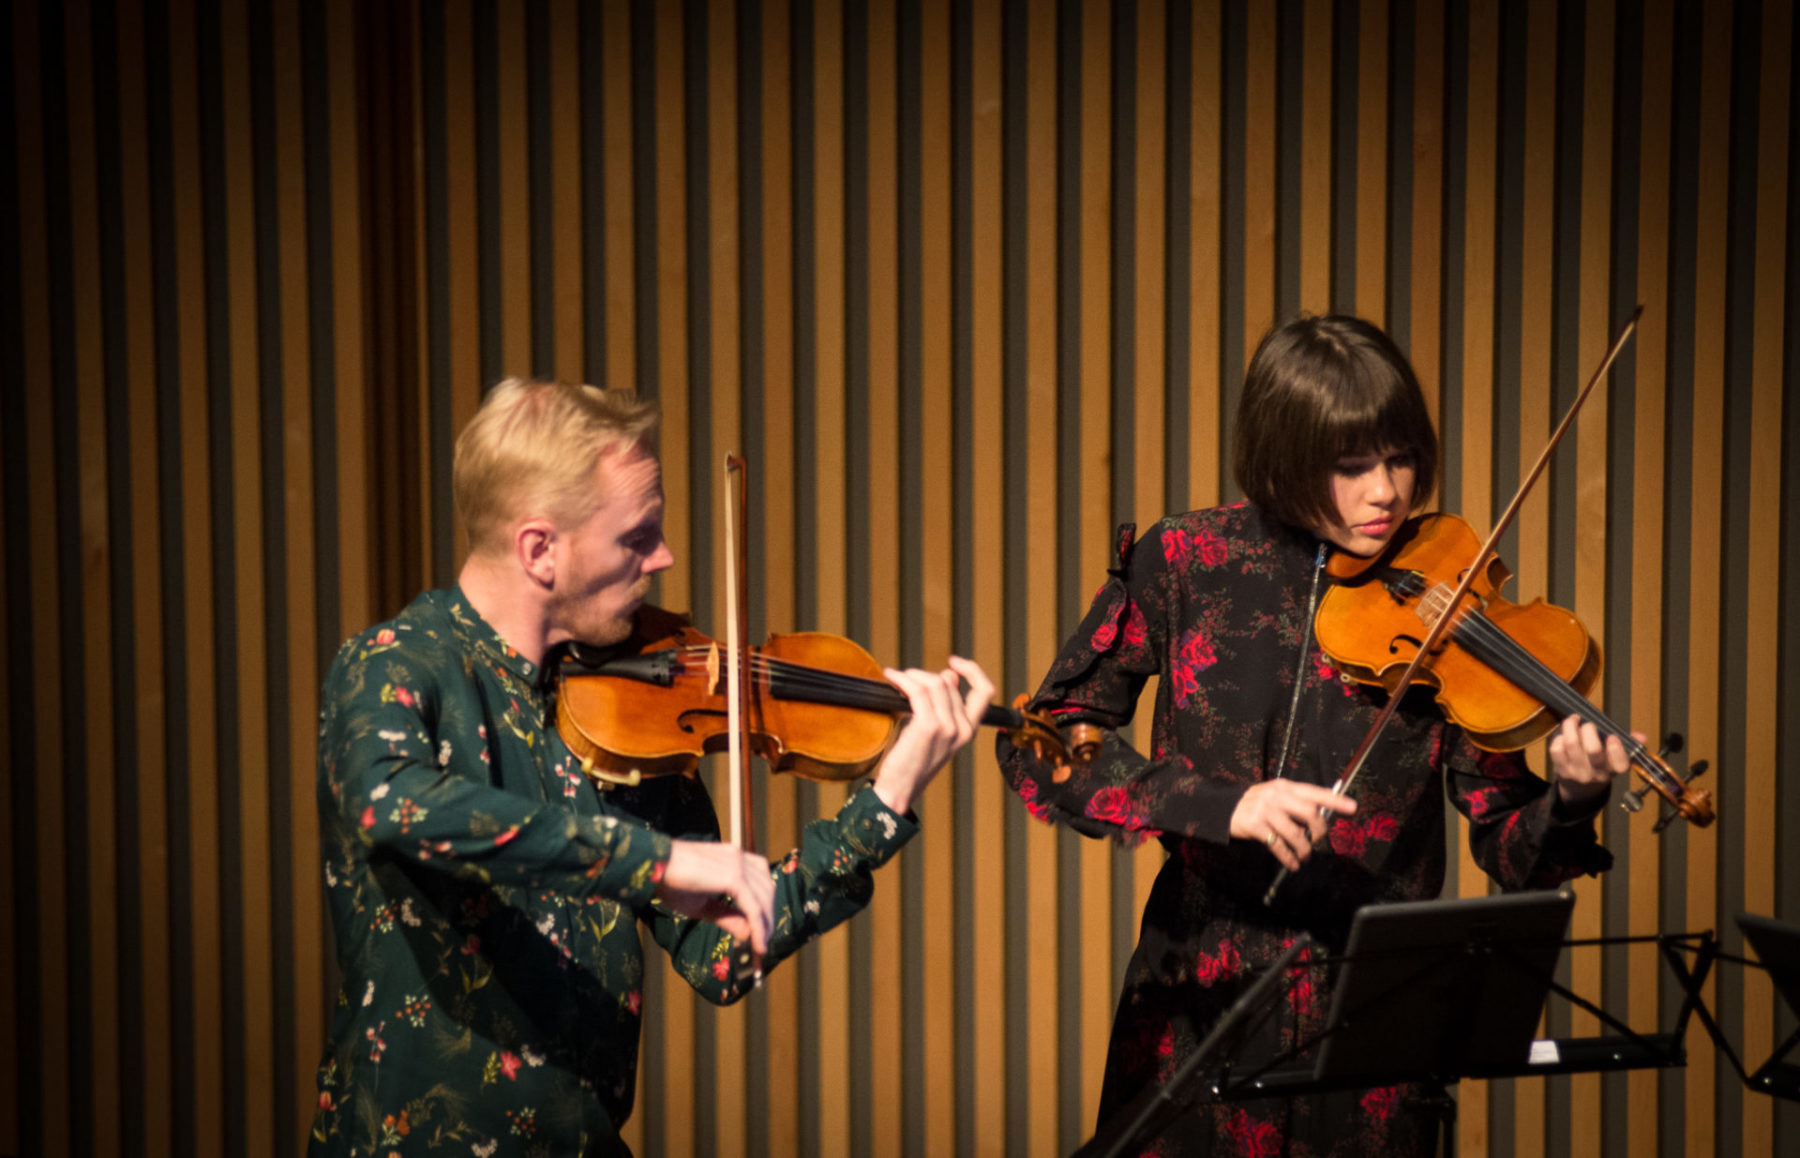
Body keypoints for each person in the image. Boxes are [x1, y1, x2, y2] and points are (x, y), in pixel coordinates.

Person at [997, 315, 1631, 1156]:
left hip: (1377, 1022)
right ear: (1286, 454)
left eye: (1401, 457)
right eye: (1352, 465)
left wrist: (1575, 796)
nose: (1388, 492)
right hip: (1202, 1005)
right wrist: (1218, 806)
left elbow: (1512, 845)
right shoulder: (1187, 560)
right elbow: (1046, 738)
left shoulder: (1442, 593)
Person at [309, 378, 992, 1156]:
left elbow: (723, 955)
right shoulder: (397, 665)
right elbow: (389, 804)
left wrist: (888, 798)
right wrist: (654, 860)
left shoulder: (627, 704)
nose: (663, 558)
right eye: (637, 537)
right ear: (539, 549)